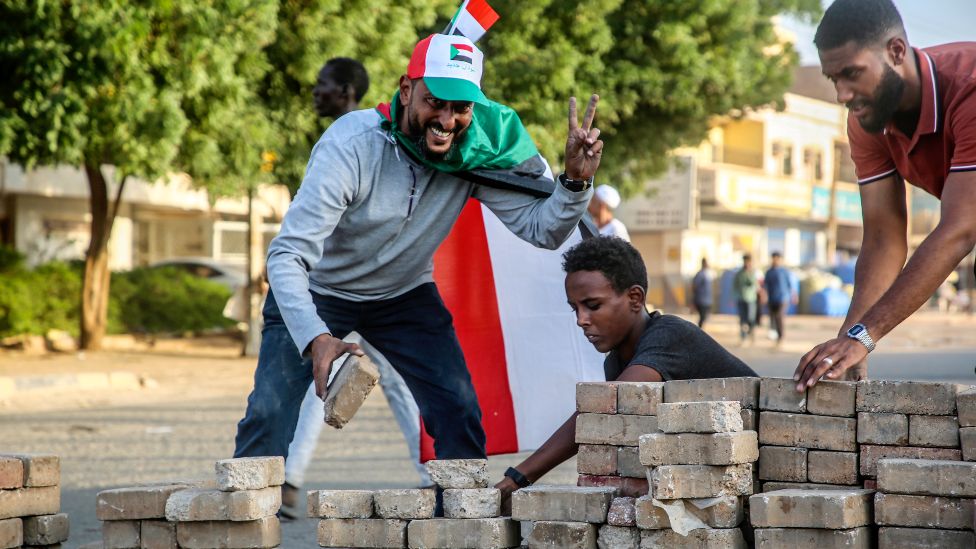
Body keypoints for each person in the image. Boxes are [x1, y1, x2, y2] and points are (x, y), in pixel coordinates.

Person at [233, 33, 604, 479]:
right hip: (318, 291)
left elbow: (542, 230)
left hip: (403, 296)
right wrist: (315, 336)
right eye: (435, 102)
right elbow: (288, 254)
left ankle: (464, 522)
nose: (446, 120)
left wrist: (575, 183)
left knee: (459, 411)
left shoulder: (471, 155)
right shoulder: (353, 144)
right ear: (407, 91)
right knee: (268, 414)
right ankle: (245, 522)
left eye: (461, 108)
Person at [275, 57, 431, 518]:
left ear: (344, 91)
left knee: (390, 384)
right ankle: (289, 478)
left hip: (369, 289)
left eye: (322, 84)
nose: (314, 90)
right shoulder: (352, 136)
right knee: (328, 380)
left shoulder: (360, 138)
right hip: (340, 287)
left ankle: (431, 472)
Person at [794, 0, 976, 390]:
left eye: (852, 74)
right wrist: (847, 343)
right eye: (833, 79)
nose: (842, 94)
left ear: (895, 51)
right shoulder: (867, 118)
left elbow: (961, 228)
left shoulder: (969, 87)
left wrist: (865, 336)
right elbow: (882, 236)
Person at [494, 236, 756, 505]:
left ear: (635, 298)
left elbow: (599, 410)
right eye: (575, 308)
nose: (581, 320)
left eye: (593, 306)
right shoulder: (616, 360)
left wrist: (519, 476)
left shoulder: (670, 336)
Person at [764, 252, 796, 345]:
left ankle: (781, 337)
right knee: (772, 317)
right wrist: (764, 295)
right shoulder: (769, 272)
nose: (775, 260)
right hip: (771, 298)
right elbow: (765, 285)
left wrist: (793, 295)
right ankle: (775, 334)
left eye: (777, 258)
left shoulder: (784, 271)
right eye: (774, 258)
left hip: (783, 298)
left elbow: (790, 285)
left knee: (779, 316)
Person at [732, 254, 759, 344]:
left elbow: (756, 285)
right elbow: (735, 286)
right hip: (741, 299)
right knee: (742, 319)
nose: (746, 263)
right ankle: (743, 337)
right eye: (745, 261)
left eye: (748, 261)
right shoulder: (739, 273)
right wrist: (733, 297)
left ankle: (751, 335)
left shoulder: (753, 273)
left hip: (751, 299)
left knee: (751, 318)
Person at [691, 258, 714, 328]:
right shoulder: (700, 274)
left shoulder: (708, 274)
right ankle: (698, 329)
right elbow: (694, 286)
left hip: (707, 299)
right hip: (701, 299)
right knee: (702, 316)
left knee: (705, 316)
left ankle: (699, 329)